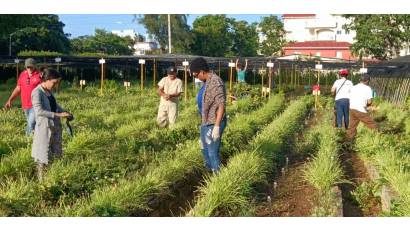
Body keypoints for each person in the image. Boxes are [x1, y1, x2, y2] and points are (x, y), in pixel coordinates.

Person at [31, 68, 71, 181]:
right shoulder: (36, 92)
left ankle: (53, 177)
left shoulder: (49, 91)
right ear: (47, 80)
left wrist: (65, 112)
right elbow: (39, 111)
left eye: (57, 82)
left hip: (55, 127)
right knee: (43, 155)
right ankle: (41, 181)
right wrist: (58, 115)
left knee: (56, 153)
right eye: (54, 82)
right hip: (44, 128)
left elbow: (55, 105)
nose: (56, 85)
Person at [190, 57, 227, 173]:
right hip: (206, 122)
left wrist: (216, 127)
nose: (196, 78)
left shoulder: (215, 81)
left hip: (214, 122)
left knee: (212, 152)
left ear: (202, 71)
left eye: (196, 75)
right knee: (205, 150)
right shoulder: (206, 82)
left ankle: (219, 179)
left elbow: (221, 104)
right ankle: (210, 176)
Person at [4, 58, 41, 136]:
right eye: (28, 67)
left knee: (31, 123)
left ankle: (27, 139)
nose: (29, 68)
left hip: (35, 105)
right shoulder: (22, 75)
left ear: (35, 66)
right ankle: (34, 140)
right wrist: (10, 100)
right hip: (25, 105)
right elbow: (18, 88)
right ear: (25, 67)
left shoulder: (39, 75)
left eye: (31, 66)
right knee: (31, 123)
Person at [346, 74, 377, 140]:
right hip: (360, 110)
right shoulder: (367, 88)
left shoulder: (353, 87)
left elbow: (349, 98)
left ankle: (349, 140)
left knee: (352, 126)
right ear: (367, 81)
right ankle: (377, 138)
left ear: (360, 80)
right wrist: (369, 107)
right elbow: (369, 102)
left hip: (352, 109)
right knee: (372, 124)